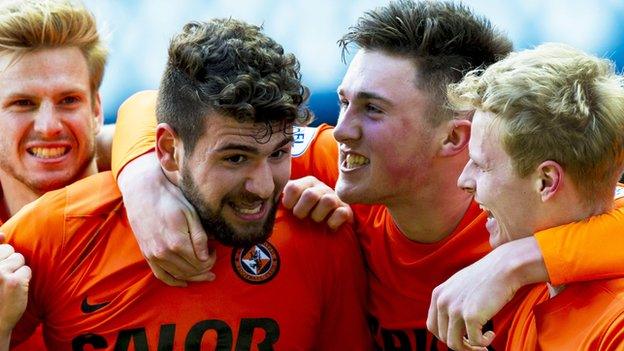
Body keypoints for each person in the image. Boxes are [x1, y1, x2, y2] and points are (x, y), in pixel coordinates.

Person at [111, 1, 624, 350]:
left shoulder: (527, 209)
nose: (344, 129)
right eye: (343, 101)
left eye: (373, 109)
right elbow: (142, 112)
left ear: (455, 138)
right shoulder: (342, 165)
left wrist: (518, 259)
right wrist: (142, 180)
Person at [1, 17, 370, 350]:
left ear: (96, 110)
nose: (260, 187)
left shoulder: (320, 228)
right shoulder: (43, 237)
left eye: (69, 100)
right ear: (167, 149)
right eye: (235, 158)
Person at [449, 43, 624, 350]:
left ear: (546, 181)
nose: (464, 180)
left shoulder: (615, 326)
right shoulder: (536, 285)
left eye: (480, 164)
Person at [0, 0, 113, 349]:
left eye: (68, 101)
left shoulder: (154, 187)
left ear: (96, 110)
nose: (49, 127)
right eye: (22, 103)